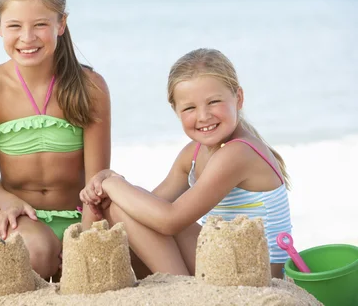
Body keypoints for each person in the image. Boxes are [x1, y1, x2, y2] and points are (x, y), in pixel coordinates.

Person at [81, 48, 292, 279]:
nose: (203, 116)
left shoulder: (238, 153)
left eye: (214, 102)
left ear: (238, 98)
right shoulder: (194, 154)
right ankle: (84, 265)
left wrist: (113, 183)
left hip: (255, 272)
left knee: (126, 203)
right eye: (190, 108)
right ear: (176, 110)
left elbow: (170, 220)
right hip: (227, 262)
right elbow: (146, 211)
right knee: (121, 207)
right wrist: (102, 187)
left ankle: (181, 292)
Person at [0, 0, 111, 279]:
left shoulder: (90, 86)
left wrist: (83, 240)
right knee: (40, 249)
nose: (27, 38)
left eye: (40, 25)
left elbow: (96, 180)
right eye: (14, 26)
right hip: (20, 219)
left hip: (80, 214)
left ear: (61, 24)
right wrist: (10, 203)